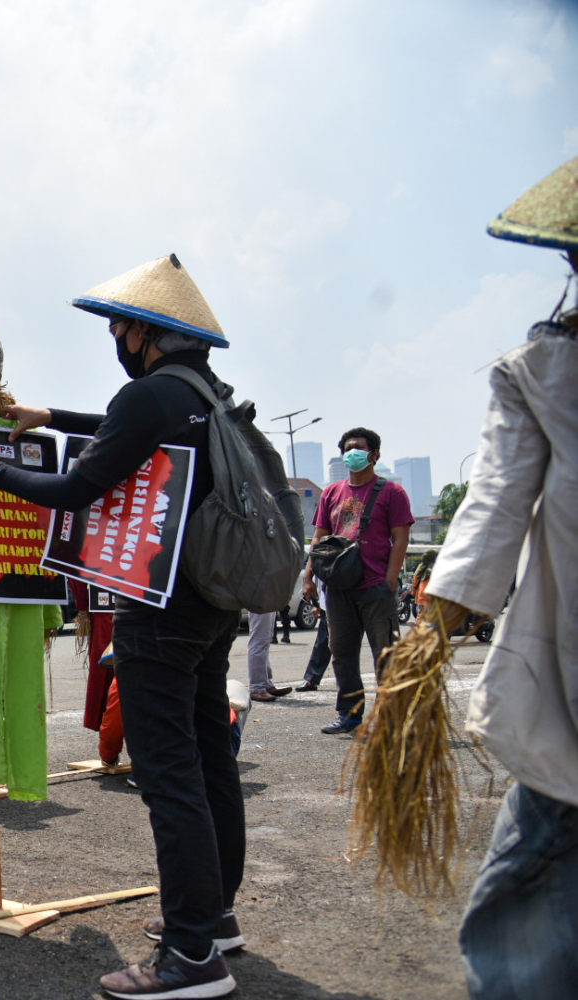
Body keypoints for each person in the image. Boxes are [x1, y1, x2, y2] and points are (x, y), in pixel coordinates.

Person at [0, 253, 243, 999]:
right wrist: (50, 417)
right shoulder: (207, 395)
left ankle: (190, 959)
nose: (115, 338)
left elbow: (79, 483)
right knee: (210, 759)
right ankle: (214, 922)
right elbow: (119, 429)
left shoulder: (150, 397)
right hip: (213, 606)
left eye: (120, 326)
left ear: (146, 334)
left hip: (156, 608)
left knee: (170, 775)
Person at [419, 156, 578, 1000]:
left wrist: (433, 627)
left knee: (525, 923)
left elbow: (492, 509)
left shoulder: (544, 371)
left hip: (568, 712)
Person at [304, 429, 413, 735]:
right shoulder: (331, 492)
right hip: (338, 587)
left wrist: (389, 582)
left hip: (375, 587)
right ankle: (349, 715)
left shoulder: (391, 492)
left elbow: (401, 538)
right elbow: (320, 537)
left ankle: (394, 718)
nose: (352, 454)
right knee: (342, 654)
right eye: (347, 449)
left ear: (375, 454)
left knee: (387, 655)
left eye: (359, 448)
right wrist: (309, 574)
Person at [246, 610, 292, 702]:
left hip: (266, 597)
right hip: (259, 598)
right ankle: (257, 688)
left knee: (265, 641)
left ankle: (266, 685)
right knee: (259, 641)